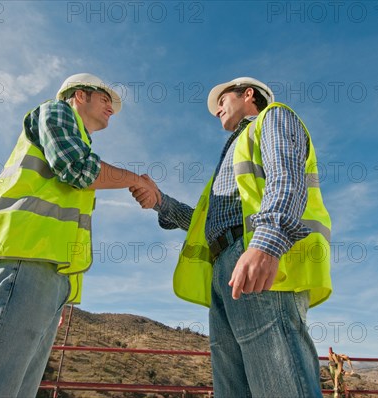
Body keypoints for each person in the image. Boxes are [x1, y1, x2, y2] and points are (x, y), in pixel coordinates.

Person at [0, 73, 159, 397]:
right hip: (20, 257)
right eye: (105, 99)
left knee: (11, 389)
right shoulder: (56, 112)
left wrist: (56, 294)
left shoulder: (80, 138)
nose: (112, 108)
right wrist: (136, 180)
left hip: (44, 272)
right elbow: (78, 169)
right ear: (80, 95)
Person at [132, 77, 332, 397]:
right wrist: (160, 201)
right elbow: (206, 221)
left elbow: (286, 177)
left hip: (257, 256)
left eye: (222, 100)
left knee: (278, 384)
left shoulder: (274, 118)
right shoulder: (231, 158)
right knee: (233, 388)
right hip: (225, 269)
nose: (216, 111)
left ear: (248, 95)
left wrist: (267, 243)